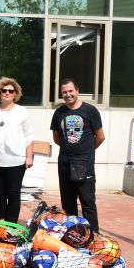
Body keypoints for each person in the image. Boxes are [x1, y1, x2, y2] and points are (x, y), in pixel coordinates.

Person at [50, 78, 105, 233]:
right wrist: (70, 148)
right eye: (64, 92)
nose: (68, 95)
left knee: (87, 202)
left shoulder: (90, 110)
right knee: (68, 202)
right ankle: (73, 234)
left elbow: (100, 137)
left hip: (84, 163)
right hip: (65, 162)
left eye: (70, 91)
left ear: (77, 91)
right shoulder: (59, 112)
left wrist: (86, 151)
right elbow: (57, 137)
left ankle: (94, 236)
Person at [0, 77, 33, 224]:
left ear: (15, 94)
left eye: (11, 91)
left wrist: (29, 157)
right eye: (4, 90)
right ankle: (1, 223)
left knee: (14, 194)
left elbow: (29, 136)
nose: (7, 93)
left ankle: (11, 225)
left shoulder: (22, 112)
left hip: (16, 160)